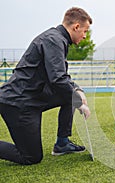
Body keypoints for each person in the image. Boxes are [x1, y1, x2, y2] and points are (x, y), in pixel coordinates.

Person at [0, 7, 92, 165]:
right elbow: (57, 79)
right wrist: (78, 101)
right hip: (18, 102)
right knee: (31, 157)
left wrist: (77, 90)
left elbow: (60, 78)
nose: (84, 36)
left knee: (68, 95)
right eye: (85, 31)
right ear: (76, 27)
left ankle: (62, 143)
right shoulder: (53, 40)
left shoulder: (58, 39)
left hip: (34, 97)